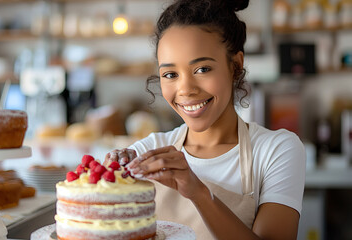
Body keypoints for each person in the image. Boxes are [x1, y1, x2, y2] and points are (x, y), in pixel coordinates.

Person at [105, 0, 306, 239]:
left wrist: (198, 192)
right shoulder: (150, 151)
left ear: (236, 66)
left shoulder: (276, 151)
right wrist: (109, 180)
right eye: (170, 74)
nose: (185, 89)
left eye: (202, 69)